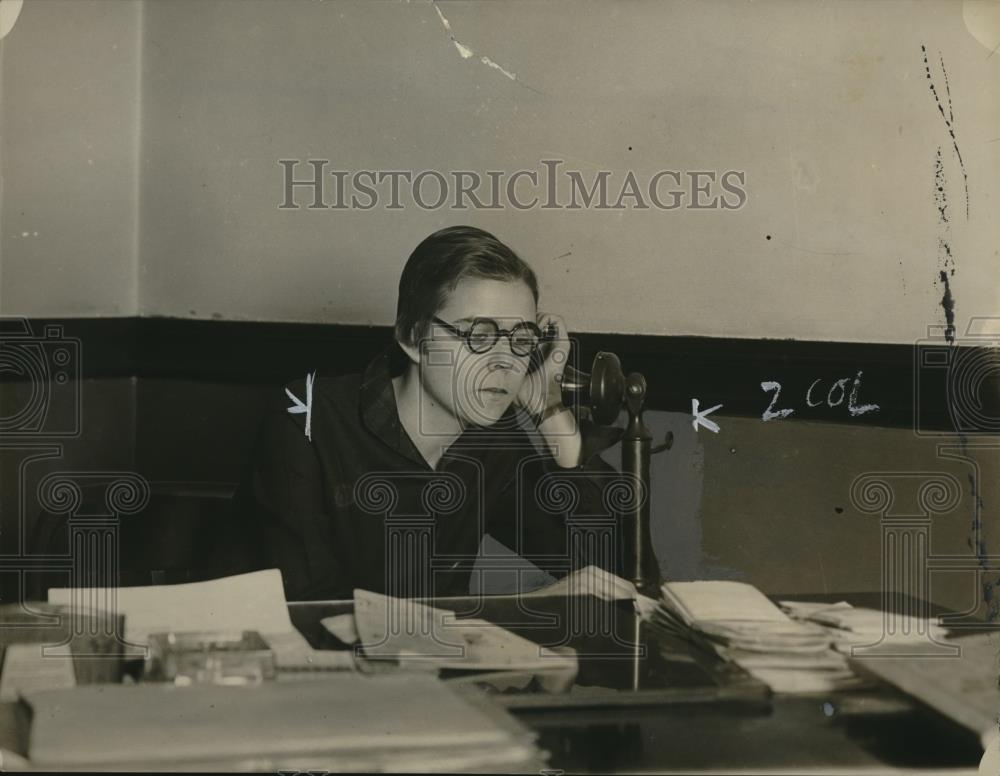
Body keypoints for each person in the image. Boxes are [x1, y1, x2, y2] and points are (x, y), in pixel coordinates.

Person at [235, 226, 628, 601]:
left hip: (429, 664)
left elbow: (616, 573)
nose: (506, 362)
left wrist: (552, 414)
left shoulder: (492, 439)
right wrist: (521, 609)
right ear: (413, 338)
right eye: (479, 336)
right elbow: (310, 610)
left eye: (522, 339)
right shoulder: (306, 419)